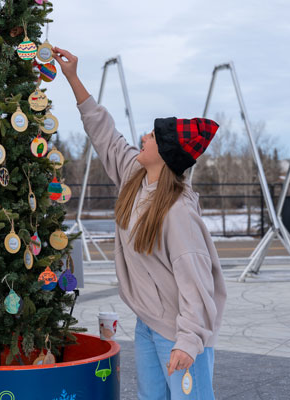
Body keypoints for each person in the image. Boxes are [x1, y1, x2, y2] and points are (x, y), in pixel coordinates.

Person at [52, 47, 227, 400]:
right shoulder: (136, 175)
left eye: (151, 136)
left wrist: (189, 341)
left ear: (164, 155)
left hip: (181, 331)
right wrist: (73, 78)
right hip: (149, 323)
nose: (143, 138)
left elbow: (197, 281)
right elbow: (105, 134)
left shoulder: (177, 212)